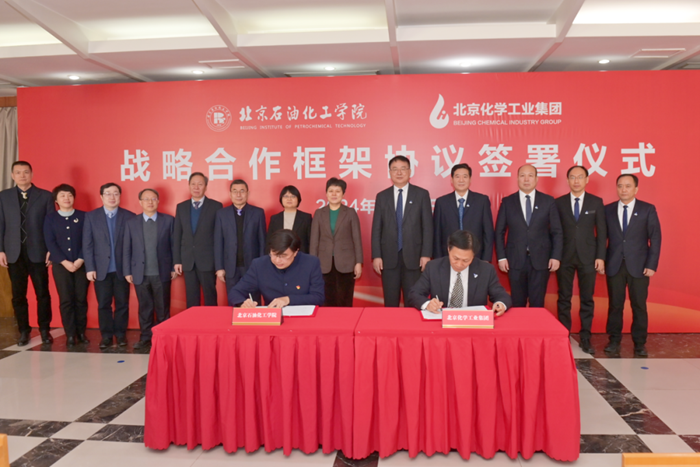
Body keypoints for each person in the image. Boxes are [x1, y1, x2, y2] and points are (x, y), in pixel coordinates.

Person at [604, 174, 661, 358]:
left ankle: (639, 343)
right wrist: (601, 260)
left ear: (636, 189)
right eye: (620, 186)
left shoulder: (647, 209)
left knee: (639, 305)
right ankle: (614, 340)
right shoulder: (608, 210)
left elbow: (656, 238)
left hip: (639, 266)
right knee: (615, 305)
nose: (624, 189)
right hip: (614, 265)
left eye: (628, 186)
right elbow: (602, 238)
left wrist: (651, 264)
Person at [0, 161, 54, 346]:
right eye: (18, 172)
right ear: (12, 175)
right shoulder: (3, 196)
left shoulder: (45, 196)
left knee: (42, 293)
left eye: (25, 172)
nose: (22, 175)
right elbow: (1, 224)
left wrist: (51, 249)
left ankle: (45, 330)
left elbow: (50, 225)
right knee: (18, 295)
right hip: (14, 253)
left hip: (38, 251)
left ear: (31, 174)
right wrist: (1, 249)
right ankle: (24, 330)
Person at [555, 166, 607, 354]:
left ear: (587, 179)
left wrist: (600, 256)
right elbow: (555, 232)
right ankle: (564, 335)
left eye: (580, 177)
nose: (576, 181)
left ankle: (586, 337)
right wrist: (555, 256)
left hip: (588, 257)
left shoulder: (596, 202)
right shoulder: (559, 203)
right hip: (564, 256)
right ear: (567, 180)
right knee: (564, 297)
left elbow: (602, 232)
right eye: (572, 177)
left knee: (587, 298)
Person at [495, 164, 563, 308]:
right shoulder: (508, 202)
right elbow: (499, 231)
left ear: (536, 179)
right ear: (517, 178)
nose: (526, 179)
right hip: (515, 260)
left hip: (541, 260)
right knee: (517, 303)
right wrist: (501, 257)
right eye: (522, 176)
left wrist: (555, 256)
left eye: (530, 175)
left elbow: (557, 231)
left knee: (537, 303)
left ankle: (536, 325)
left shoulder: (548, 201)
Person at [371, 156, 433, 307]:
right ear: (390, 172)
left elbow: (427, 227)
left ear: (410, 171)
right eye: (395, 169)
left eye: (403, 169)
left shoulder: (421, 194)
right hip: (388, 257)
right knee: (390, 301)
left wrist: (426, 254)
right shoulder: (382, 196)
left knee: (413, 300)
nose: (399, 173)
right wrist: (377, 256)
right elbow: (377, 228)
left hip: (414, 257)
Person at [83, 182, 136, 349]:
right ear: (101, 196)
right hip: (101, 269)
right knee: (104, 304)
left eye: (115, 193)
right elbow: (87, 244)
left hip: (122, 269)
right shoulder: (91, 217)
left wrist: (131, 269)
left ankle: (120, 334)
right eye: (108, 193)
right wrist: (90, 267)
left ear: (120, 196)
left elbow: (134, 245)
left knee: (122, 304)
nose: (112, 197)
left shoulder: (130, 216)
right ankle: (106, 336)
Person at [409, 230, 511, 314]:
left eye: (466, 260)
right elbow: (415, 293)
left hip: (472, 323)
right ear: (449, 249)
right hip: (442, 321)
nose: (459, 264)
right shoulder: (434, 267)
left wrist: (500, 303)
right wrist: (428, 304)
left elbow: (501, 295)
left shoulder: (486, 270)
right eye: (455, 258)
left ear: (473, 256)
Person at [123, 188, 176, 350]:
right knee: (145, 308)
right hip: (140, 273)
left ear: (158, 201)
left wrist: (174, 266)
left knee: (162, 307)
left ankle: (163, 337)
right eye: (146, 199)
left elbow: (174, 246)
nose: (150, 202)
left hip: (162, 272)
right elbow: (127, 248)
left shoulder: (168, 220)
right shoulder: (131, 223)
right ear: (140, 202)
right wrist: (127, 271)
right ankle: (145, 337)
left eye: (153, 199)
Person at [228, 229, 324, 308]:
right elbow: (235, 292)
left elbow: (318, 297)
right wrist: (242, 303)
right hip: (272, 317)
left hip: (303, 317)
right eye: (274, 255)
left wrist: (288, 299)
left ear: (295, 252)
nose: (278, 260)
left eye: (283, 256)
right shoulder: (259, 265)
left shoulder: (311, 263)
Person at [43, 184, 89, 347]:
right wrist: (64, 262)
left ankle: (81, 332)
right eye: (62, 195)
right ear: (56, 200)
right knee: (66, 300)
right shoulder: (50, 218)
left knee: (81, 299)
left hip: (82, 264)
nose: (66, 198)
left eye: (69, 195)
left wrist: (80, 260)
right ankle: (70, 334)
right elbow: (50, 242)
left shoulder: (84, 216)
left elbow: (88, 240)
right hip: (61, 265)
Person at [310, 177, 363, 307]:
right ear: (326, 193)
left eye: (338, 191)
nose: (334, 194)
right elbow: (314, 240)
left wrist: (358, 263)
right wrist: (312, 263)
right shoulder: (319, 213)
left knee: (345, 297)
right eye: (331, 191)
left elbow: (357, 239)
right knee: (327, 299)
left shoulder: (350, 212)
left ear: (343, 194)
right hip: (324, 263)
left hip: (346, 262)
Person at [173, 172, 223, 308]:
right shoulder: (181, 207)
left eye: (200, 184)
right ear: (189, 186)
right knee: (191, 298)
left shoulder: (216, 206)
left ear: (206, 186)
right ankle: (192, 322)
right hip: (188, 260)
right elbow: (177, 235)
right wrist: (177, 260)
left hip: (208, 260)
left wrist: (219, 263)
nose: (196, 187)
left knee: (210, 297)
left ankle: (212, 321)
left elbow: (219, 236)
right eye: (193, 184)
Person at [214, 179, 266, 302]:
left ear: (248, 193)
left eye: (242, 191)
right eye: (235, 191)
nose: (238, 194)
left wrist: (262, 266)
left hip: (252, 266)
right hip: (230, 267)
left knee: (254, 301)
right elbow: (218, 242)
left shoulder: (258, 213)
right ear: (230, 194)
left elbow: (262, 241)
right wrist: (219, 267)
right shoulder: (222, 214)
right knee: (234, 300)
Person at [433, 163, 494, 261]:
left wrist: (486, 259)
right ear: (451, 180)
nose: (461, 180)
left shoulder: (482, 201)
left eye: (465, 176)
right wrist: (438, 259)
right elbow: (437, 234)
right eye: (457, 176)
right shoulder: (442, 202)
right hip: (448, 257)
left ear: (470, 179)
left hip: (476, 256)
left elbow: (488, 232)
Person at [267, 185, 312, 254]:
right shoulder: (275, 218)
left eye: (293, 196)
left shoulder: (306, 218)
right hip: (280, 255)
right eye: (286, 196)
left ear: (298, 199)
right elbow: (269, 241)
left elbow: (310, 241)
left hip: (300, 255)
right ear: (281, 199)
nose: (289, 199)